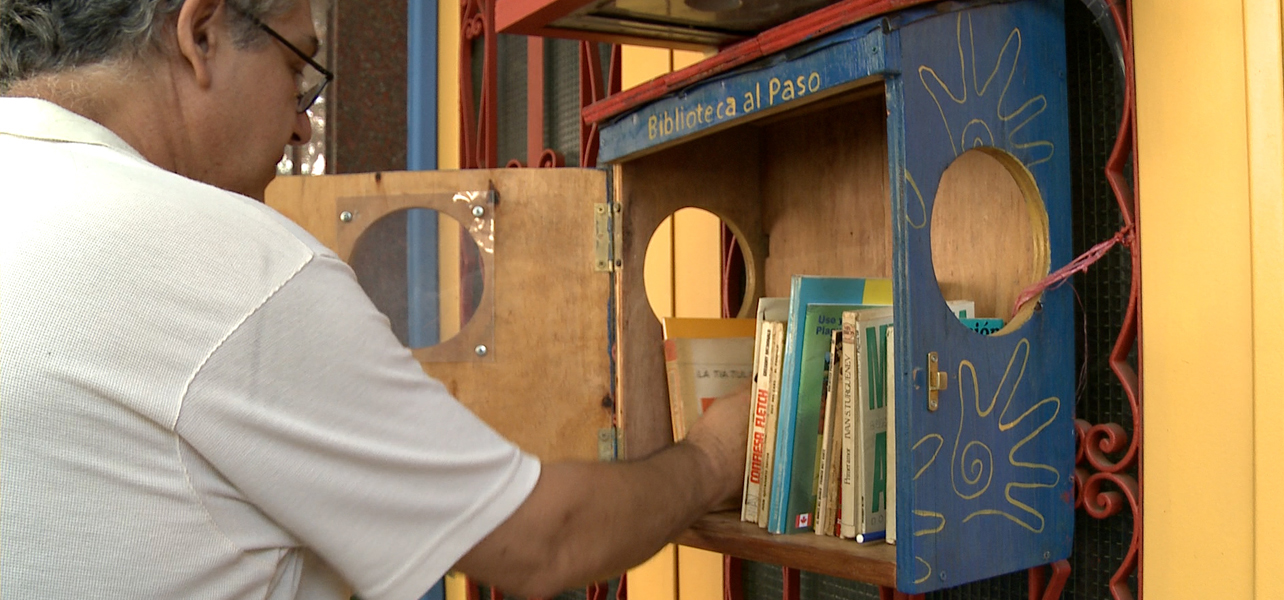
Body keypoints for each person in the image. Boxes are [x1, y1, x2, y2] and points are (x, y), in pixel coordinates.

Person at [0, 1, 749, 599]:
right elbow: (544, 542)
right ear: (202, 34)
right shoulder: (226, 258)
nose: (302, 125)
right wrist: (718, 454)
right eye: (297, 70)